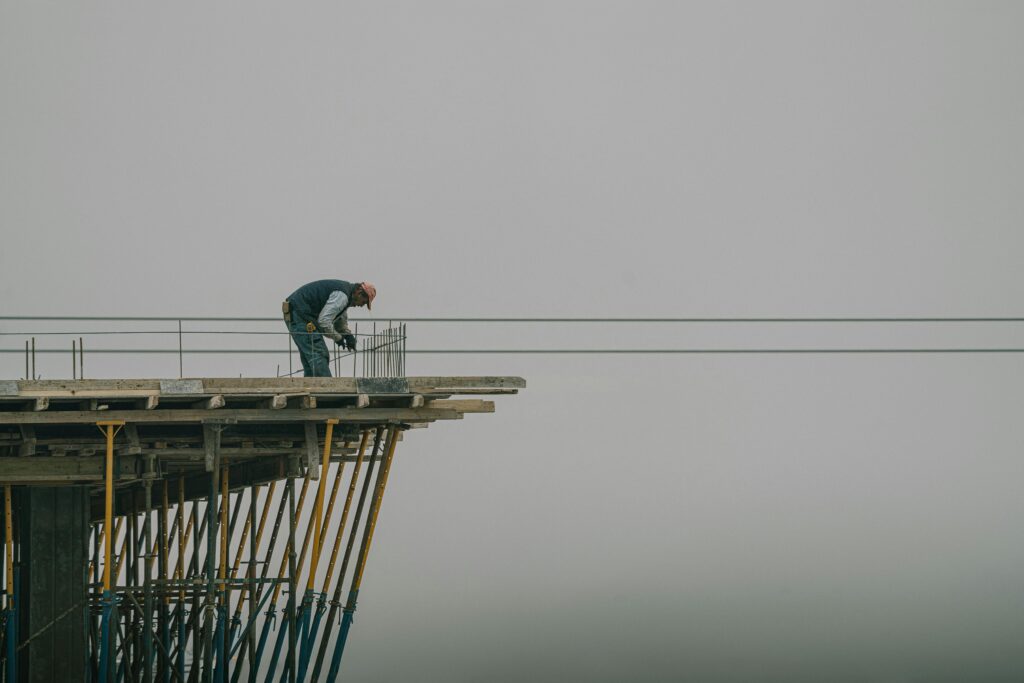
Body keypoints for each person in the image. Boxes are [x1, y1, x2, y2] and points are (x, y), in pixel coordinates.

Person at [282, 279, 376, 377]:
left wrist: (347, 335)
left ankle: (311, 387)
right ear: (359, 292)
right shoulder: (342, 296)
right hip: (300, 314)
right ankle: (325, 388)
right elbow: (324, 322)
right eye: (364, 302)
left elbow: (340, 320)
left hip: (297, 312)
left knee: (310, 357)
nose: (361, 306)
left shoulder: (345, 296)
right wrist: (338, 338)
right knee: (319, 353)